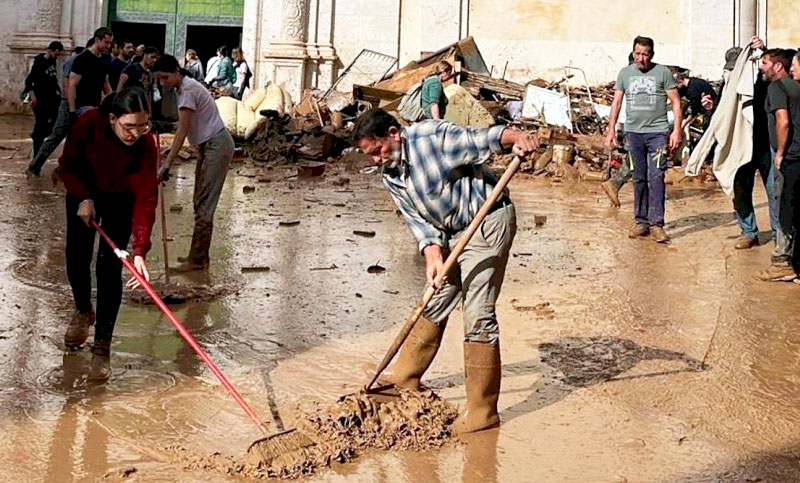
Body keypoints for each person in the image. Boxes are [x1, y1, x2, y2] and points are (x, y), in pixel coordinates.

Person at [353, 108, 538, 434]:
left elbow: (484, 138)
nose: (376, 160)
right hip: (453, 234)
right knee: (434, 300)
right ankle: (405, 378)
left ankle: (482, 412)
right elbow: (417, 220)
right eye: (370, 156)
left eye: (378, 151)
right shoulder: (390, 173)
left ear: (394, 134)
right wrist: (432, 254)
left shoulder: (430, 138)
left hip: (488, 221)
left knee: (478, 313)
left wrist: (516, 138)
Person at [58, 87, 158, 381]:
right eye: (128, 127)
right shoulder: (87, 124)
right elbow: (67, 166)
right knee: (77, 256)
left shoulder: (145, 144)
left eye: (143, 126)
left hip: (119, 199)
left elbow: (146, 196)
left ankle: (102, 346)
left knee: (109, 265)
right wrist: (83, 197)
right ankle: (82, 310)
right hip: (83, 192)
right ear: (112, 119)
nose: (135, 134)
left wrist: (140, 249)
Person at [153, 55, 234, 271]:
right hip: (210, 145)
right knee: (200, 202)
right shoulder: (185, 88)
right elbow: (185, 127)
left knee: (205, 205)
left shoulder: (187, 90)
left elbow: (182, 131)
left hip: (216, 144)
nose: (163, 83)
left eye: (165, 77)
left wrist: (167, 165)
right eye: (159, 79)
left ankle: (197, 260)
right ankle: (198, 256)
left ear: (176, 71)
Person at [605, 35, 683, 243]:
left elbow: (676, 102)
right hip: (633, 134)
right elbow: (617, 103)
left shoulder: (663, 73)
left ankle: (657, 224)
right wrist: (611, 129)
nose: (641, 58)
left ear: (652, 55)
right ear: (632, 53)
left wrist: (676, 130)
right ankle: (641, 221)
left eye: (645, 54)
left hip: (657, 133)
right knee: (638, 177)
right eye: (637, 54)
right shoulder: (625, 74)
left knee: (656, 177)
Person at [27, 31, 111, 177]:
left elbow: (105, 83)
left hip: (91, 107)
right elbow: (71, 84)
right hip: (72, 105)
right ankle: (35, 166)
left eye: (110, 43)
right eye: (106, 42)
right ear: (97, 40)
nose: (108, 46)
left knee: (89, 139)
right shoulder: (82, 59)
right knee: (56, 137)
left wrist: (113, 101)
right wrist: (72, 111)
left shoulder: (104, 60)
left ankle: (79, 172)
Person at [731, 37, 782, 251]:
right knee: (741, 188)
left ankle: (780, 235)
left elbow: (776, 65)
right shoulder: (731, 86)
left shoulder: (764, 82)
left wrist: (764, 49)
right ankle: (749, 232)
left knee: (774, 191)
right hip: (742, 146)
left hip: (766, 144)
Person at [755, 48, 800, 282]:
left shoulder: (777, 87)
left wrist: (780, 153)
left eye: (764, 63)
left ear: (778, 67)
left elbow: (783, 121)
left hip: (790, 154)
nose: (761, 67)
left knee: (783, 206)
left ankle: (781, 261)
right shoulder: (797, 87)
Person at [22, 41, 64, 167]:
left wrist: (59, 92)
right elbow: (30, 80)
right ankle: (36, 155)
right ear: (50, 50)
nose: (56, 57)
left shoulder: (52, 62)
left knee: (56, 121)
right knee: (41, 124)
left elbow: (53, 79)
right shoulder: (39, 62)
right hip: (40, 99)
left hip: (52, 98)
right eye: (55, 54)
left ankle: (38, 136)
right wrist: (32, 94)